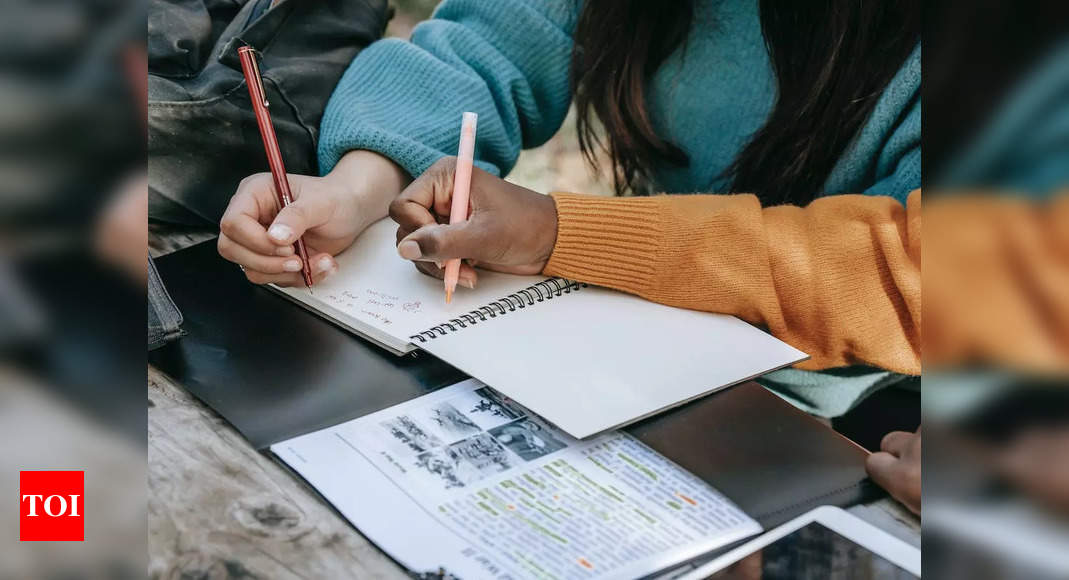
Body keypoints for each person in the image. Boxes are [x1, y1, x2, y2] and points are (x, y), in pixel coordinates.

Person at [217, 0, 921, 511]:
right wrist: (357, 185)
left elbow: (908, 268)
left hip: (815, 414)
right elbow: (491, 43)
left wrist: (561, 234)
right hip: (621, 351)